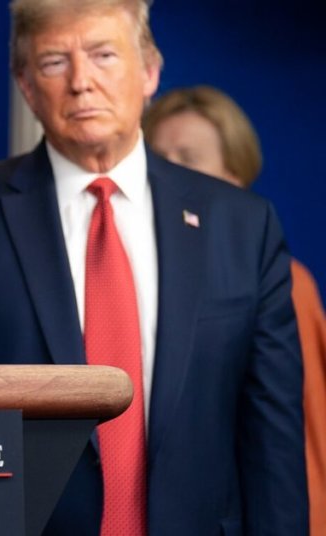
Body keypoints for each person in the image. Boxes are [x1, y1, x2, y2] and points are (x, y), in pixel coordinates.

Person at [0, 0, 307, 534]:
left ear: (149, 71)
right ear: (26, 85)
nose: (82, 82)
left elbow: (273, 445)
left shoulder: (242, 225)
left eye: (103, 55)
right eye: (55, 62)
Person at [144, 85, 326, 536]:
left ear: (235, 176)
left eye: (188, 158)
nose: (170, 176)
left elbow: (305, 433)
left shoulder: (284, 280)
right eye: (158, 160)